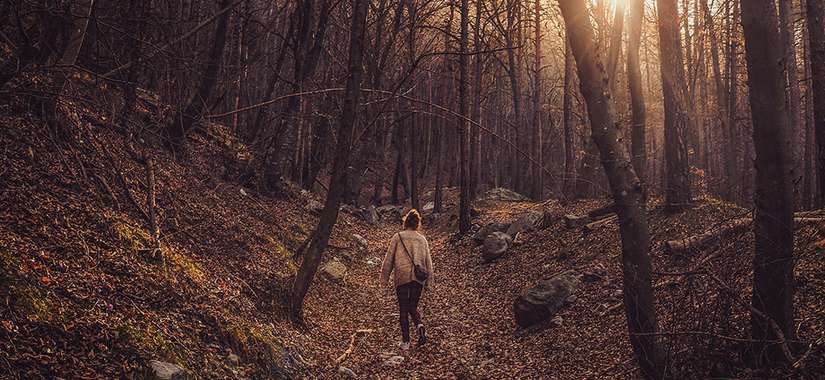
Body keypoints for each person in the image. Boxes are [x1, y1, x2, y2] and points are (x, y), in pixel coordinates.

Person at [379, 209, 434, 351]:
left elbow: (388, 259)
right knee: (412, 307)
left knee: (403, 308)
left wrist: (383, 279)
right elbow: (428, 262)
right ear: (417, 224)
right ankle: (420, 326)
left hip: (402, 276)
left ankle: (406, 342)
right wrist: (430, 282)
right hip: (418, 278)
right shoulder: (422, 240)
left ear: (406, 222)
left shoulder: (398, 237)